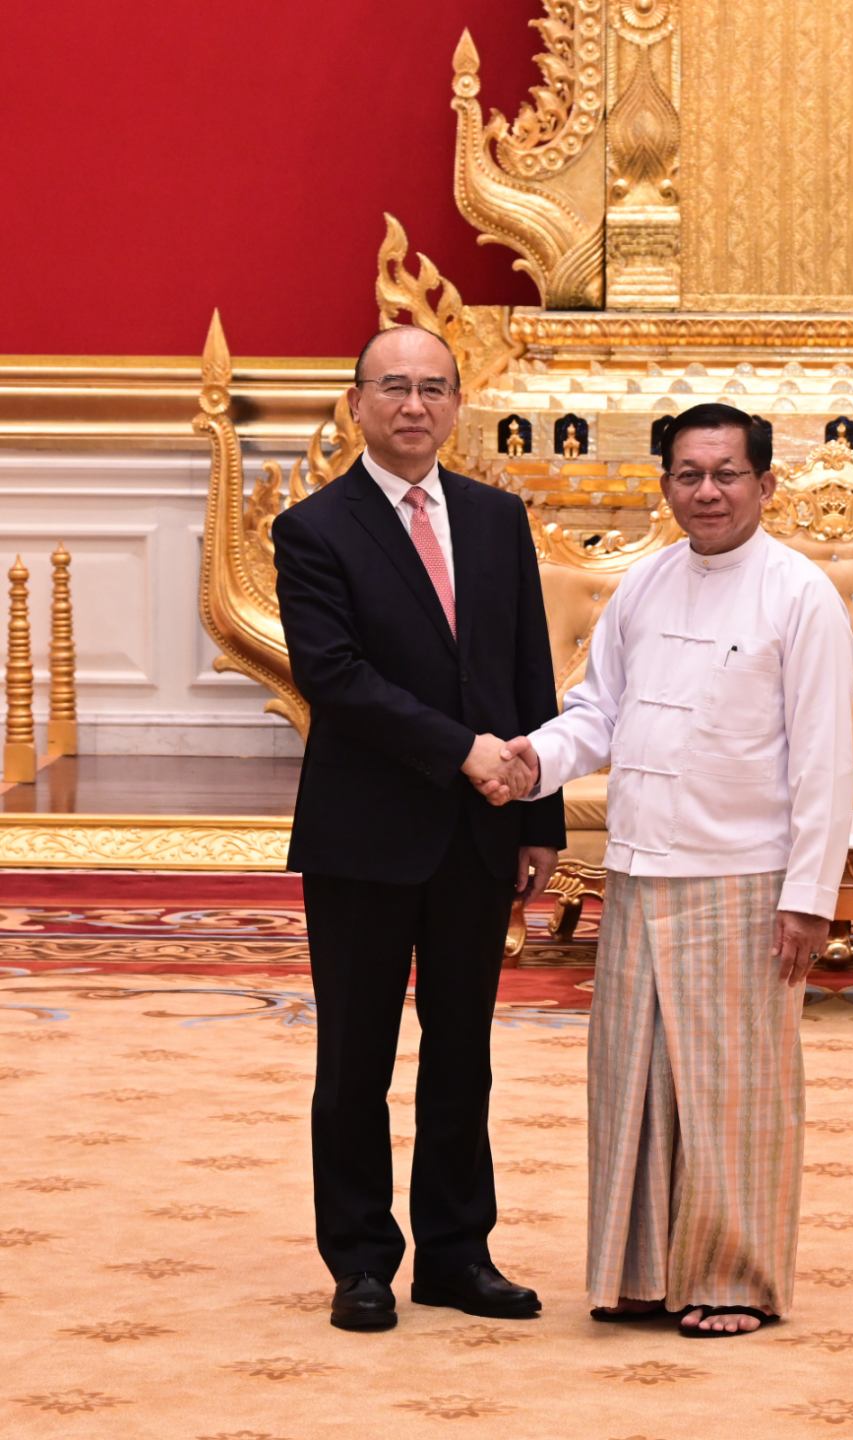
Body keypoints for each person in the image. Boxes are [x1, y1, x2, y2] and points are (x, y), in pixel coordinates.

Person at [488, 402, 853, 1336]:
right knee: (635, 1081)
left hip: (744, 876)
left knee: (733, 1088)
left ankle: (732, 1279)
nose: (707, 492)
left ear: (765, 485)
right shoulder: (643, 583)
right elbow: (597, 714)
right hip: (639, 868)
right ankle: (643, 1271)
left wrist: (808, 897)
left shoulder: (799, 594)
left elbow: (823, 761)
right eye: (688, 475)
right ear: (665, 486)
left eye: (726, 474)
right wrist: (535, 759)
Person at [271, 324, 563, 1333]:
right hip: (364, 834)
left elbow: (527, 667)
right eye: (392, 386)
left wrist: (539, 816)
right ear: (356, 402)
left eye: (433, 387)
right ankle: (359, 1258)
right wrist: (460, 751)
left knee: (462, 1053)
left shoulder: (495, 518)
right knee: (355, 1056)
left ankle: (455, 1253)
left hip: (481, 834)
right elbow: (336, 678)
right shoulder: (314, 528)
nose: (413, 405)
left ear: (457, 404)